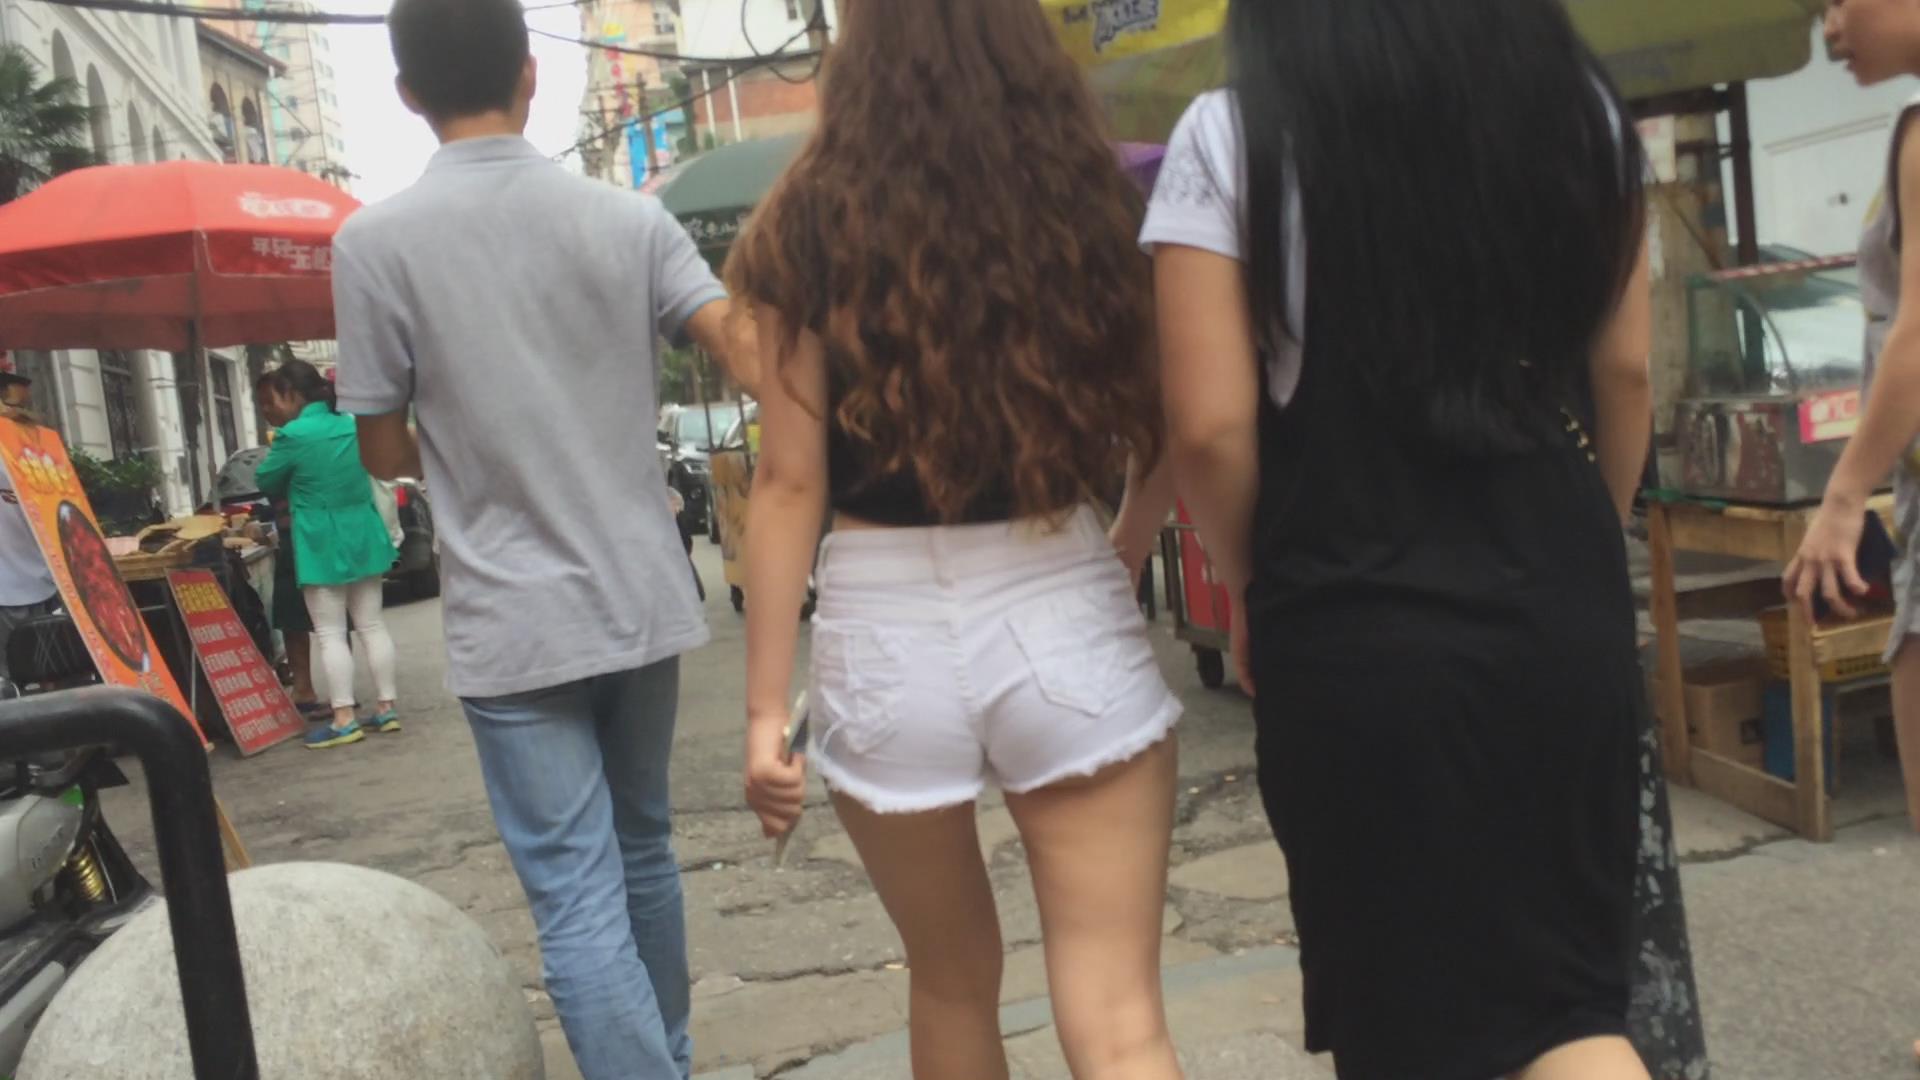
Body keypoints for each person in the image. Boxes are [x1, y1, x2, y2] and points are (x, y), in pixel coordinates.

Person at [1150, 1, 1656, 1077]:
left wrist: (1253, 587)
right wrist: (1580, 556)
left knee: (1403, 1019)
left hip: (1349, 626)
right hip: (1560, 611)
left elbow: (1208, 429)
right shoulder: (1582, 113)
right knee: (1568, 1008)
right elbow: (1624, 374)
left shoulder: (1230, 136)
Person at [730, 2, 1182, 1077]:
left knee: (947, 983)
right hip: (1058, 595)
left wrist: (762, 717)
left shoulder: (804, 218)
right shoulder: (1090, 192)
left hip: (882, 634)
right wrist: (1127, 535)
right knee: (1119, 1015)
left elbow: (788, 482)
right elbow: (1174, 417)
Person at [331, 1, 736, 1076]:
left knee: (574, 894)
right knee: (644, 849)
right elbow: (738, 338)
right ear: (531, 73)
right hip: (640, 595)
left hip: (511, 618)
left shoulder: (373, 244)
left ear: (407, 93)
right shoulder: (630, 220)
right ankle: (669, 1057)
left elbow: (381, 448)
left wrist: (473, 445)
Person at [254, 360, 400, 748]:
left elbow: (266, 479)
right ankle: (386, 708)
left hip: (320, 539)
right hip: (364, 532)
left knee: (330, 633)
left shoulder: (292, 435)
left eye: (277, 397)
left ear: (291, 394)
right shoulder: (353, 425)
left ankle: (344, 718)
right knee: (372, 625)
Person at [0, 372, 58, 687]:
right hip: (7, 590)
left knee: (50, 672)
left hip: (45, 581)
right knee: (13, 680)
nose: (25, 413)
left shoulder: (34, 448)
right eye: (16, 405)